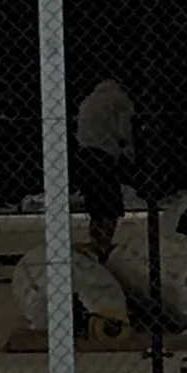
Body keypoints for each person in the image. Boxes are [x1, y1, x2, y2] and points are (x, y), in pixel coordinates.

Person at [73, 73, 135, 257]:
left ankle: (95, 242)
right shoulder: (120, 100)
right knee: (111, 206)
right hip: (104, 156)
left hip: (84, 155)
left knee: (95, 205)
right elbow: (124, 130)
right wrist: (129, 150)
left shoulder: (88, 100)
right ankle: (105, 244)